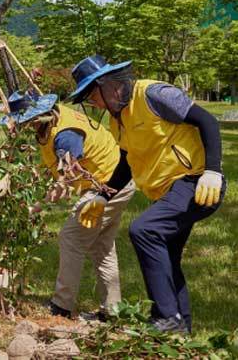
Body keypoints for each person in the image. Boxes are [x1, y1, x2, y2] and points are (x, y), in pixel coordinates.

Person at [68, 54, 225, 333]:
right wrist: (104, 195)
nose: (94, 104)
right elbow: (126, 163)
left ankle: (165, 318)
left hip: (196, 181)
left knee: (144, 230)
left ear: (110, 86)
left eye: (93, 96)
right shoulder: (118, 121)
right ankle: (180, 329)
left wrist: (213, 171)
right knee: (166, 257)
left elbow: (208, 122)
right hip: (167, 191)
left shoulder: (154, 94)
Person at [1, 91, 135, 320]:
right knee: (102, 247)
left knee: (71, 237)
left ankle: (62, 307)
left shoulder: (65, 135)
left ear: (36, 117)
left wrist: (36, 207)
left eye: (23, 122)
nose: (20, 128)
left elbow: (65, 182)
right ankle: (112, 311)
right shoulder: (50, 124)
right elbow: (53, 166)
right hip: (112, 181)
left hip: (109, 185)